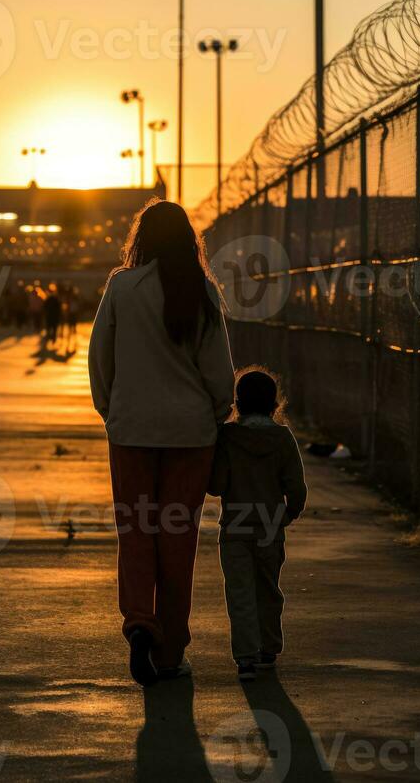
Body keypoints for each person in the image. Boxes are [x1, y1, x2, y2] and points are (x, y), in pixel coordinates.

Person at [88, 198, 234, 687]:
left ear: (141, 239)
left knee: (136, 529)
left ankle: (138, 624)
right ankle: (171, 651)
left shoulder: (122, 287)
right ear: (189, 240)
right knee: (178, 538)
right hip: (191, 434)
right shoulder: (202, 290)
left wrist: (111, 409)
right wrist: (216, 415)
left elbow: (100, 355)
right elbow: (218, 368)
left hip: (132, 430)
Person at [208, 367, 307, 682]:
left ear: (237, 402)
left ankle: (246, 659)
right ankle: (269, 649)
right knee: (268, 590)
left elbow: (217, 485)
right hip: (269, 529)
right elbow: (296, 488)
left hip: (235, 529)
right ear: (274, 403)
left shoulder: (228, 437)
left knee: (240, 594)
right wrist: (286, 517)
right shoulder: (282, 438)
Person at [43, 283, 61, 348]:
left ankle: (51, 339)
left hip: (51, 317)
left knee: (50, 329)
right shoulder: (54, 300)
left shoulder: (49, 300)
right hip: (53, 317)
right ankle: (52, 339)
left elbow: (44, 308)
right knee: (53, 329)